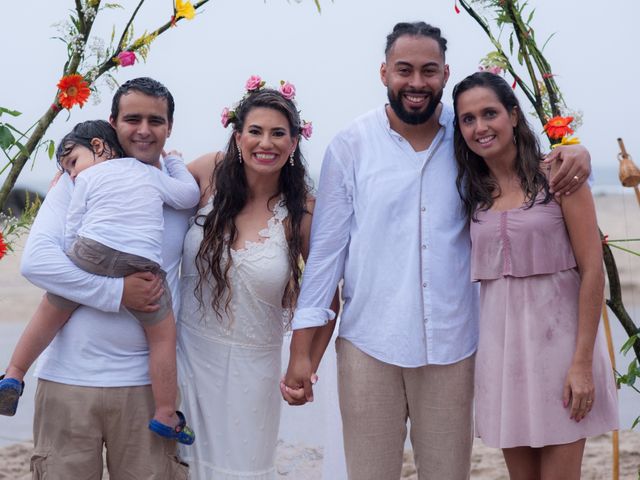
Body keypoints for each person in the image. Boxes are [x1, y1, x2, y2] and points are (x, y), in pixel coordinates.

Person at [281, 22, 592, 479]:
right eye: (404, 70)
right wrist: (301, 351)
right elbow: (326, 258)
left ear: (445, 74)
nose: (416, 82)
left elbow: (525, 173)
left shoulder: (469, 138)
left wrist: (578, 151)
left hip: (455, 347)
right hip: (370, 345)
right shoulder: (350, 146)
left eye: (429, 70)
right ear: (384, 72)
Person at [18, 77, 193, 478]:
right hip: (68, 382)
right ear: (112, 124)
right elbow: (37, 263)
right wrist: (118, 293)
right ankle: (14, 372)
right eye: (133, 119)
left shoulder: (176, 189)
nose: (145, 130)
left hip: (145, 390)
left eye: (156, 120)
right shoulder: (80, 179)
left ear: (169, 127)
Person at [452, 71, 618, 479]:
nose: (480, 127)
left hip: (561, 351)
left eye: (489, 113)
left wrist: (581, 364)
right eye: (468, 119)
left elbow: (592, 270)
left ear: (512, 115)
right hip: (502, 355)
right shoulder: (470, 189)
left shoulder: (559, 175)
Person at [177, 81, 338, 479]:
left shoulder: (301, 214)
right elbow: (144, 193)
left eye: (278, 133)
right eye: (256, 131)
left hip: (254, 373)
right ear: (238, 136)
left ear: (295, 141)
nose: (266, 142)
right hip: (184, 359)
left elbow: (327, 302)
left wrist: (305, 366)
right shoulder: (205, 173)